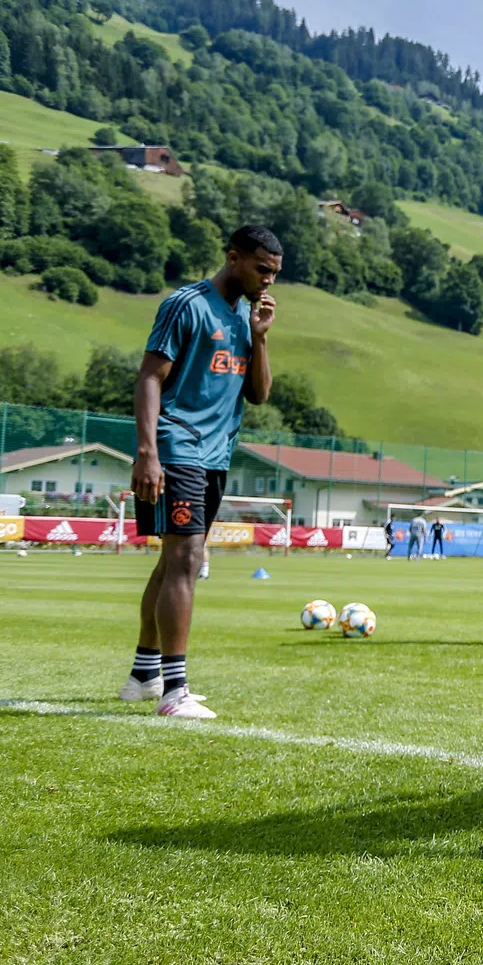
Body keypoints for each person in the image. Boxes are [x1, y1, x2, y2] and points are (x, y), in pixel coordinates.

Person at [121, 225, 281, 719]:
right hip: (178, 447)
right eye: (262, 269)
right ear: (233, 258)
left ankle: (144, 675)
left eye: (274, 274)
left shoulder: (244, 318)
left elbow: (259, 394)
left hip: (216, 456)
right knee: (187, 560)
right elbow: (150, 376)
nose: (268, 281)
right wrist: (147, 452)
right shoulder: (186, 305)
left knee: (173, 562)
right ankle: (175, 691)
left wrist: (259, 338)